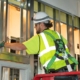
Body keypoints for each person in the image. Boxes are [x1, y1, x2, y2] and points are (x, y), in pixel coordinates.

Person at [0, 12, 78, 79]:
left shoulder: (40, 37)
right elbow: (69, 45)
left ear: (41, 24)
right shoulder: (57, 34)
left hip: (57, 74)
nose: (35, 27)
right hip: (71, 71)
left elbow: (21, 47)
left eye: (36, 25)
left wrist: (4, 44)